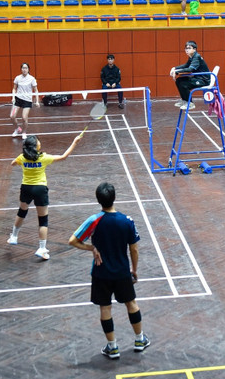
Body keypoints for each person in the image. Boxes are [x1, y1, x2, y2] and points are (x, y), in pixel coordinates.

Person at [68, 182, 149, 359]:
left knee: (105, 308)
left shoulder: (94, 220)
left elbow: (72, 241)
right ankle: (139, 339)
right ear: (114, 198)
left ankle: (112, 347)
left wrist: (92, 248)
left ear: (99, 200)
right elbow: (133, 249)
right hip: (122, 272)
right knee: (131, 304)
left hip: (100, 272)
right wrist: (134, 270)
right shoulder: (126, 221)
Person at [8, 133, 83, 259]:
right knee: (43, 220)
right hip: (40, 189)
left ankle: (14, 236)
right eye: (38, 141)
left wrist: (19, 162)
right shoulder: (43, 158)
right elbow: (63, 157)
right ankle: (42, 249)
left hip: (26, 188)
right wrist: (75, 142)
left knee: (22, 212)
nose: (39, 142)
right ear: (36, 146)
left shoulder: (22, 157)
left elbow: (12, 163)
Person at [169, 40, 210, 110]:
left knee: (184, 84)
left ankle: (190, 103)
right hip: (197, 78)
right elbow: (186, 65)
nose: (187, 50)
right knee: (179, 80)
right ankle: (184, 100)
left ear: (194, 49)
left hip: (203, 80)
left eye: (189, 48)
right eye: (186, 48)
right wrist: (175, 68)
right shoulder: (192, 56)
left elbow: (190, 69)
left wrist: (176, 72)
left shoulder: (196, 57)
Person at [11, 62, 39, 140]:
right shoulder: (17, 78)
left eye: (26, 68)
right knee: (12, 116)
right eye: (23, 68)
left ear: (28, 69)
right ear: (21, 69)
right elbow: (14, 88)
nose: (24, 69)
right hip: (18, 99)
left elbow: (36, 90)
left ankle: (24, 132)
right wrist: (13, 97)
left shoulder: (32, 79)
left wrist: (37, 101)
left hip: (27, 100)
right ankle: (17, 129)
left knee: (24, 118)